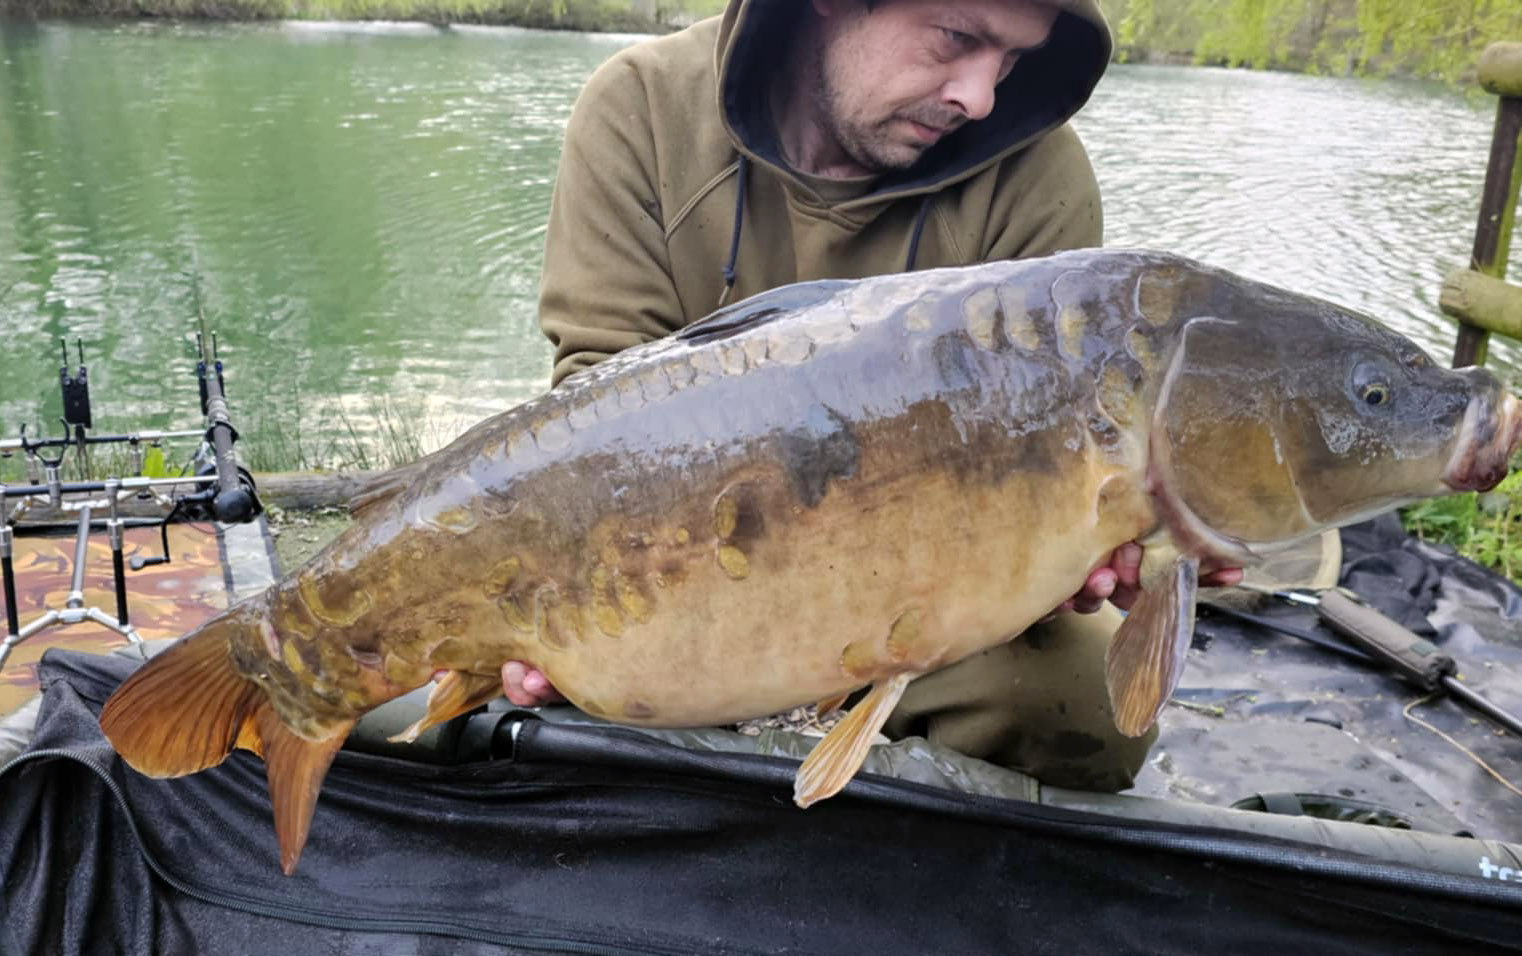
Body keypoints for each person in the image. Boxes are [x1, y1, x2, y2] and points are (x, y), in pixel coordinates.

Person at [502, 0, 1240, 792]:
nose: (979, 97)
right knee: (551, 658)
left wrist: (1076, 549)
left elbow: (1056, 445)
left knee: (1083, 705)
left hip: (924, 592)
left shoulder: (1037, 177)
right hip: (687, 567)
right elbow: (594, 411)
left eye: (1011, 61)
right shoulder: (644, 107)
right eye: (956, 37)